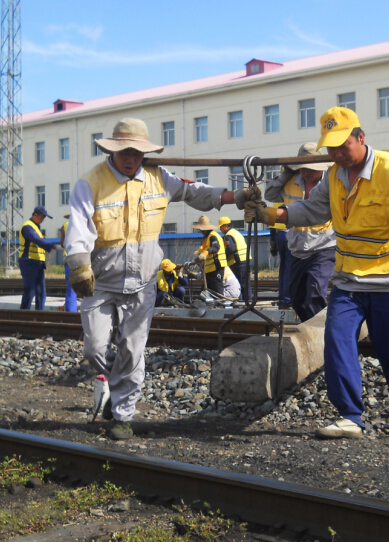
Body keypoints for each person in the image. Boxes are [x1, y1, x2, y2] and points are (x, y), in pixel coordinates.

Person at [244, 107, 389, 442]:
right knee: (338, 342)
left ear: (361, 138)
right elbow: (312, 210)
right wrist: (271, 214)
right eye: (331, 148)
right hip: (349, 280)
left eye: (342, 146)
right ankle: (350, 417)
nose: (336, 154)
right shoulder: (334, 176)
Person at [64, 118, 258, 440]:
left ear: (145, 154)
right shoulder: (91, 182)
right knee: (95, 349)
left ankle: (122, 415)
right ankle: (118, 385)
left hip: (142, 284)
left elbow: (196, 193)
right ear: (113, 151)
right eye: (125, 151)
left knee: (132, 350)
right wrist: (79, 263)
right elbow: (79, 227)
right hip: (102, 283)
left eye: (137, 153)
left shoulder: (159, 178)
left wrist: (233, 197)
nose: (131, 158)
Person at [264, 143, 334, 322]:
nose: (307, 172)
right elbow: (270, 195)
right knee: (297, 299)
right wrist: (284, 175)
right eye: (303, 168)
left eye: (311, 168)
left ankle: (323, 334)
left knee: (314, 292)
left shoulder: (331, 182)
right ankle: (310, 329)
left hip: (323, 247)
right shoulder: (290, 182)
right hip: (297, 248)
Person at [19, 205, 57, 310]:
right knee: (30, 290)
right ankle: (22, 315)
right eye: (42, 217)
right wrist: (51, 245)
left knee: (41, 292)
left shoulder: (36, 228)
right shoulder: (27, 227)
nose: (43, 220)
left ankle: (39, 315)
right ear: (35, 215)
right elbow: (36, 240)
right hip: (28, 262)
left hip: (38, 263)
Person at [218, 217, 252, 302]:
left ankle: (240, 303)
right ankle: (249, 302)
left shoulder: (228, 235)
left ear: (226, 226)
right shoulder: (236, 233)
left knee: (239, 285)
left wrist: (224, 258)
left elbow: (231, 248)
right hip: (247, 261)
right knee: (246, 284)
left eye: (221, 226)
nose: (220, 229)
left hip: (238, 263)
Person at [269, 205, 292, 309]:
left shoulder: (276, 202)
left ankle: (283, 298)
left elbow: (271, 223)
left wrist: (273, 243)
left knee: (283, 267)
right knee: (289, 268)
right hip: (290, 233)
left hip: (279, 234)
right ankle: (287, 299)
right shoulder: (293, 195)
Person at [60, 213, 78, 312]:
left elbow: (62, 243)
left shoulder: (65, 225)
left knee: (71, 289)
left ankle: (71, 314)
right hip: (82, 258)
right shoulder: (84, 223)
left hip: (69, 258)